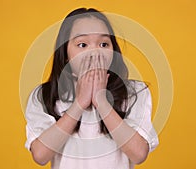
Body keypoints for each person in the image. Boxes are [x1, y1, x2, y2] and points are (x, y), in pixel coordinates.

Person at [24, 7, 159, 169]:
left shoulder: (134, 92)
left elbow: (139, 154)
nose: (95, 52)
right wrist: (80, 103)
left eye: (104, 44)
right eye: (82, 44)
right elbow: (40, 155)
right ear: (65, 53)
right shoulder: (44, 95)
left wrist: (101, 101)